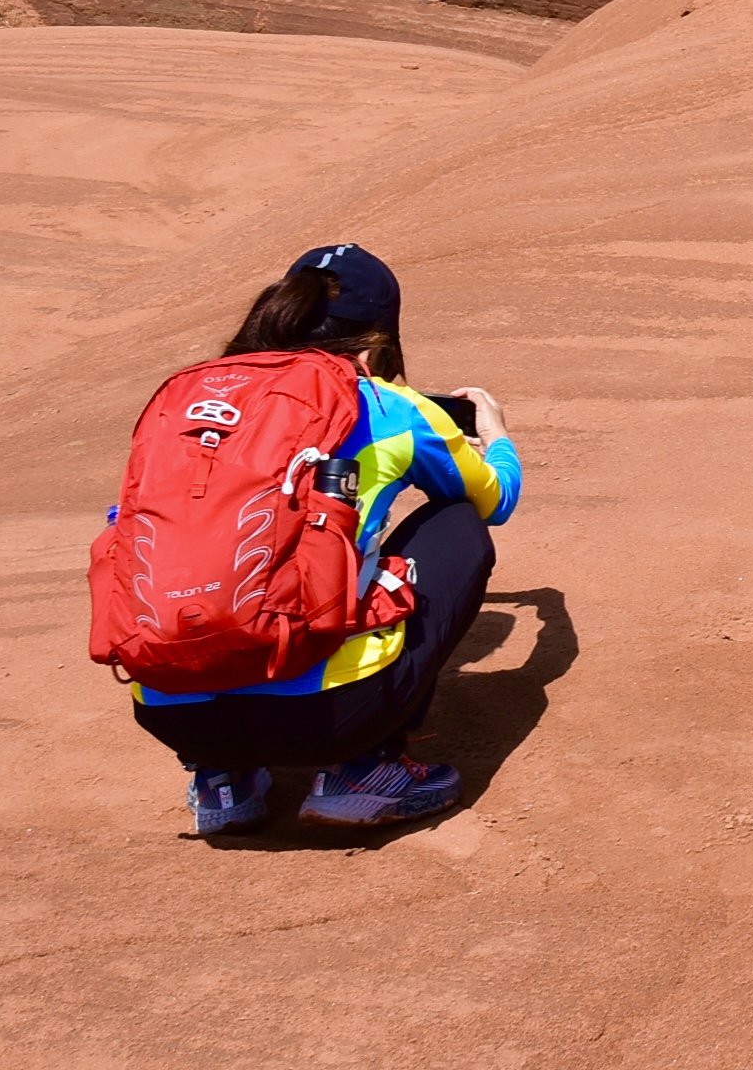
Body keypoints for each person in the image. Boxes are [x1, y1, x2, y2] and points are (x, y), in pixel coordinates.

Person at [131, 242, 523, 836]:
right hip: (331, 717)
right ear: (374, 345)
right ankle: (362, 772)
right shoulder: (389, 405)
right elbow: (496, 501)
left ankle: (222, 781)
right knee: (457, 522)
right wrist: (496, 436)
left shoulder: (191, 404)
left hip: (172, 712)